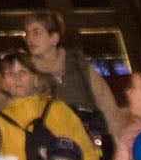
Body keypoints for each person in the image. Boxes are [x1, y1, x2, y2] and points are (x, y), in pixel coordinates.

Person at [0, 51, 103, 160]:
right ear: (4, 83)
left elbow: (85, 150)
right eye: (10, 73)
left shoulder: (58, 109)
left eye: (23, 71)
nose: (17, 78)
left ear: (36, 79)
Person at [19, 12, 123, 147]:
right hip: (54, 148)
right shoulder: (27, 73)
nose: (30, 39)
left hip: (92, 141)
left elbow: (107, 104)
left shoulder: (78, 64)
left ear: (54, 38)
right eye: (27, 33)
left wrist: (119, 143)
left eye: (36, 32)